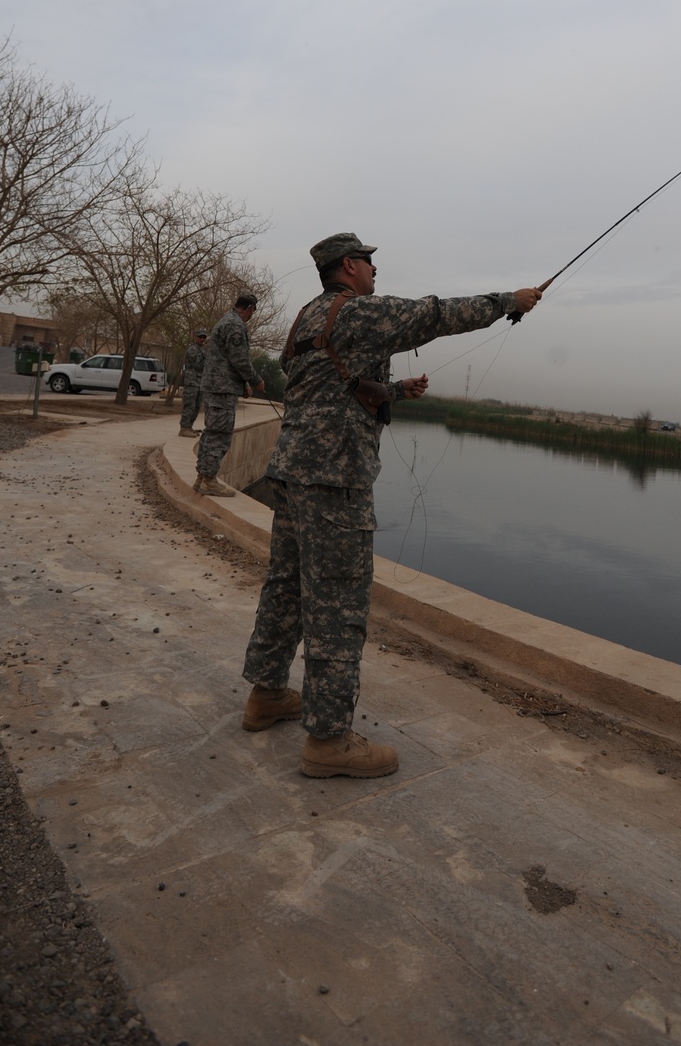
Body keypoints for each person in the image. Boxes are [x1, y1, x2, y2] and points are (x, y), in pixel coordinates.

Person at [240, 233, 541, 779]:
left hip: (291, 475)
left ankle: (266, 695)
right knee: (337, 605)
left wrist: (396, 390)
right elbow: (433, 315)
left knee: (285, 586)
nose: (377, 271)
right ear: (350, 266)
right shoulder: (357, 313)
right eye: (370, 263)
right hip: (336, 482)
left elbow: (339, 384)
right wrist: (507, 302)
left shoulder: (309, 317)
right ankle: (328, 742)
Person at [193, 293, 264, 497]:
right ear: (250, 308)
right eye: (253, 312)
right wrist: (255, 379)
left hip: (217, 386)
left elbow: (226, 359)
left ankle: (202, 477)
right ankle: (209, 480)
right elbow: (239, 359)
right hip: (222, 389)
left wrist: (243, 385)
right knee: (220, 434)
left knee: (211, 431)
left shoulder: (225, 320)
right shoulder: (235, 325)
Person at [177, 327, 207, 438]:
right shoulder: (192, 350)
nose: (202, 339)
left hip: (199, 382)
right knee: (189, 405)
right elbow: (198, 365)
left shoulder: (202, 350)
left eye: (204, 337)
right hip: (192, 382)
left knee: (197, 405)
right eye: (200, 337)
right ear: (195, 337)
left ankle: (189, 426)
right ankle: (184, 428)